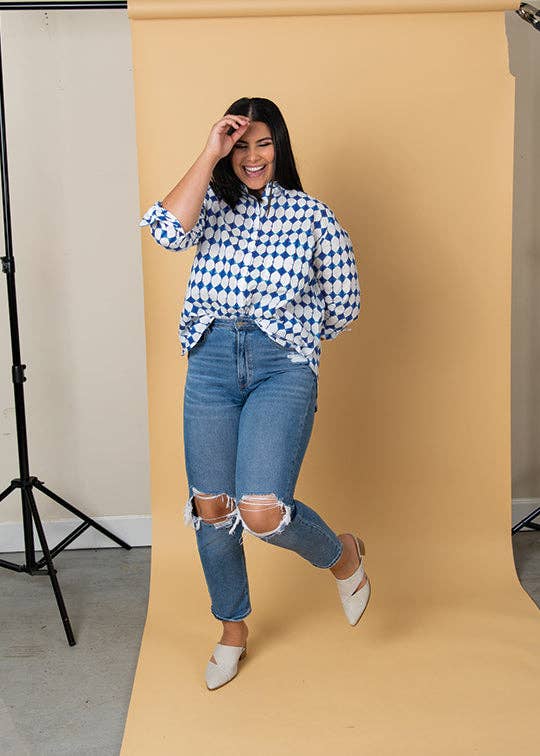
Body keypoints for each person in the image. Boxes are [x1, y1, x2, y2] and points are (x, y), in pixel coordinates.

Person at [139, 97, 371, 690]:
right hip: (211, 361)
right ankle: (232, 629)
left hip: (280, 366)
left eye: (262, 143)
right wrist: (208, 152)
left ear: (279, 147)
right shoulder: (212, 204)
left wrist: (291, 334)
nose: (251, 157)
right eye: (239, 145)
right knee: (211, 508)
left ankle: (342, 555)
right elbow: (165, 231)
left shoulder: (312, 217)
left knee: (262, 511)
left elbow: (344, 304)